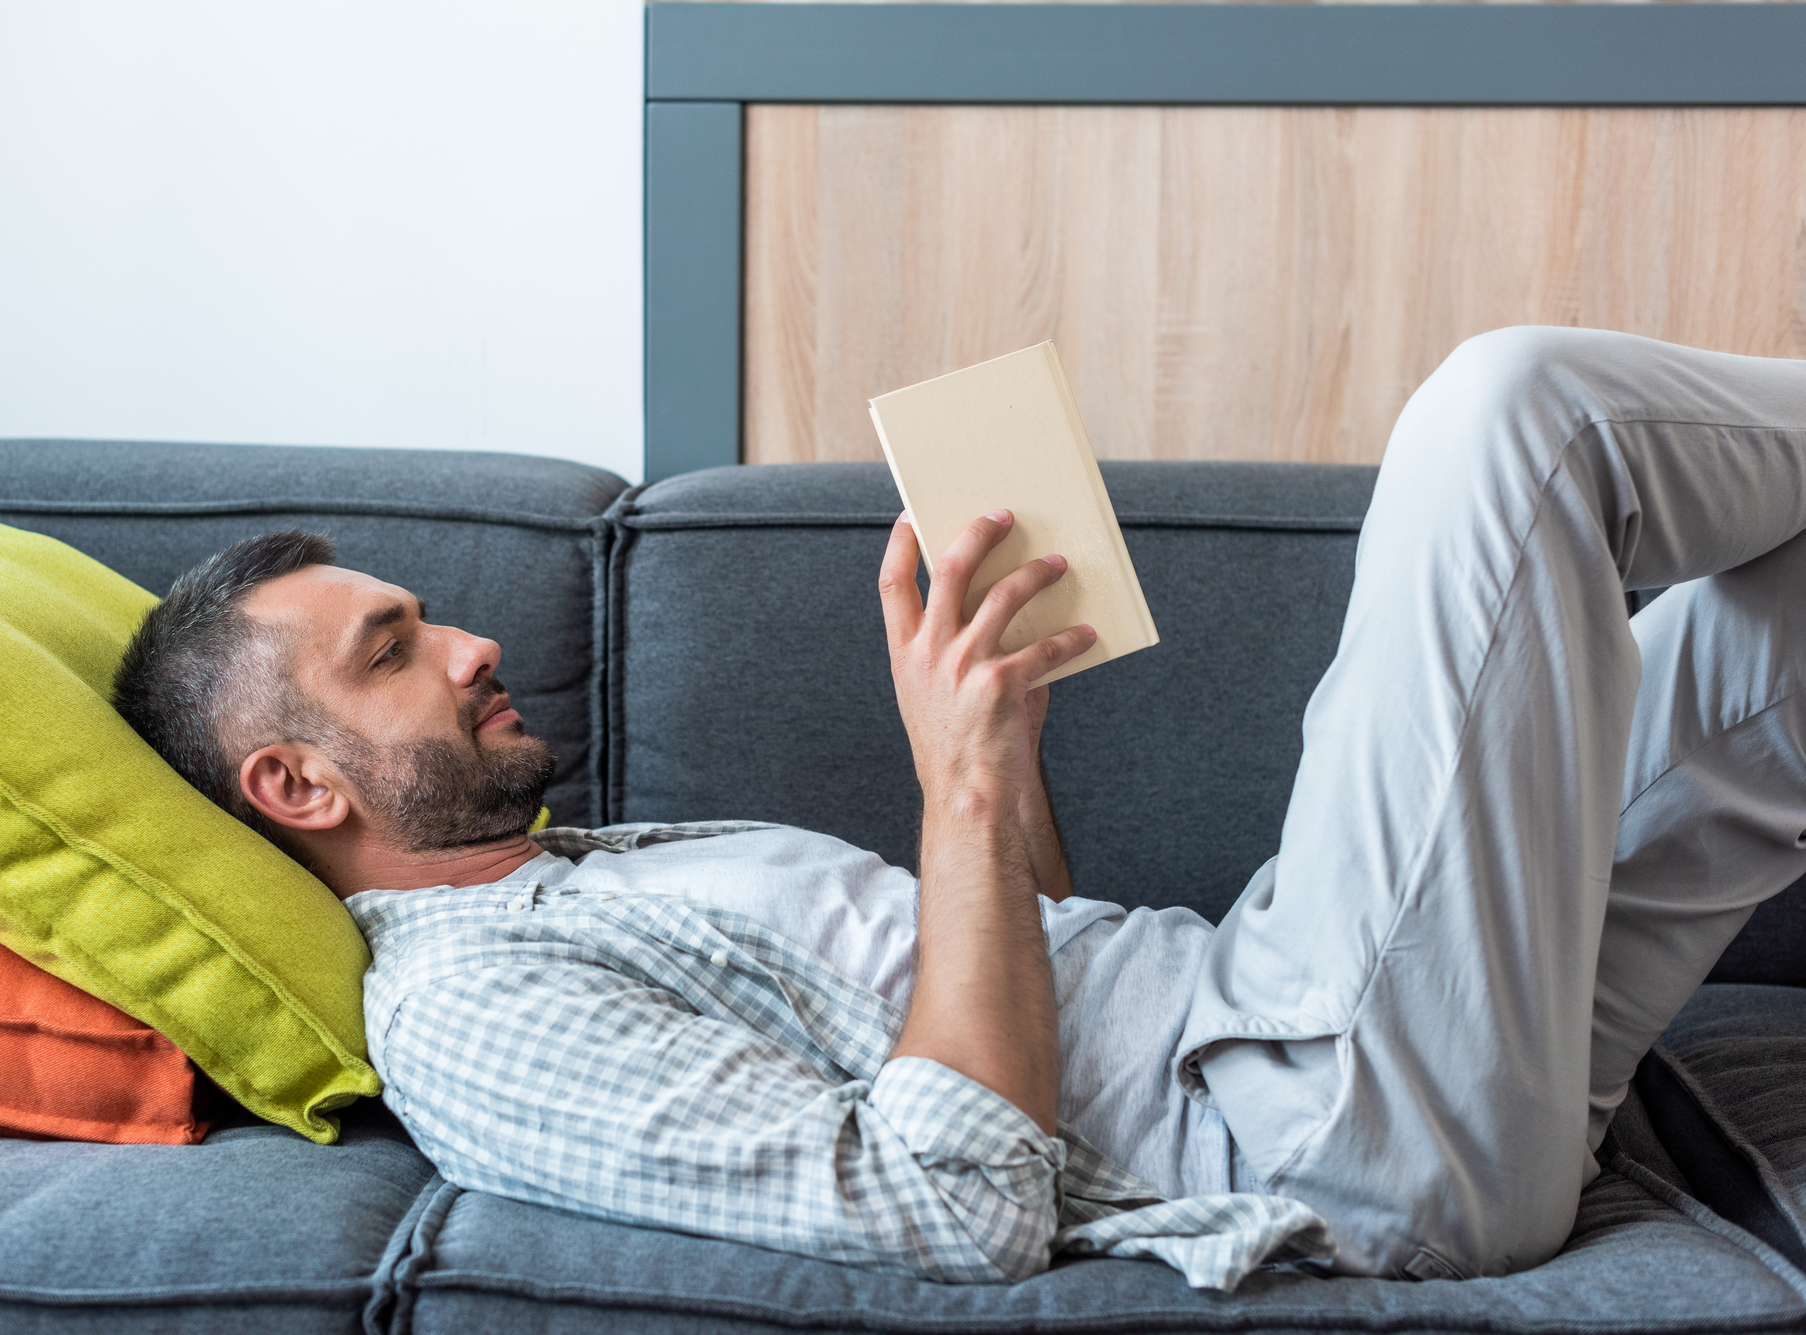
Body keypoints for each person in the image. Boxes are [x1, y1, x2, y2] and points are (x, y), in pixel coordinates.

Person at [113, 327, 1806, 1290]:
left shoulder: (589, 868)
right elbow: (957, 1203)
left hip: (1305, 1015)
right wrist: (959, 778)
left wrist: (1012, 745)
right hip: (1321, 1124)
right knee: (1515, 415)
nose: (472, 642)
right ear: (295, 783)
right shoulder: (466, 1011)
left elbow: (1025, 969)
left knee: (1767, 633)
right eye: (397, 649)